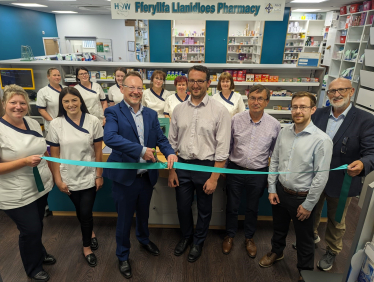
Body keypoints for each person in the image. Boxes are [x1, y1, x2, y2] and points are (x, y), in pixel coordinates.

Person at [103, 71, 177, 279]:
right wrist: (140, 150)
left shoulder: (151, 114)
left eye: (138, 88)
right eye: (131, 87)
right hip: (125, 179)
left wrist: (170, 152)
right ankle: (123, 255)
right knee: (125, 219)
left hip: (146, 176)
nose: (135, 92)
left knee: (144, 214)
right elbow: (110, 137)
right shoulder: (113, 112)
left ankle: (144, 240)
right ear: (122, 89)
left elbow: (160, 139)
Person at [297, 78, 374, 271]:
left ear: (352, 91)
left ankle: (332, 250)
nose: (336, 94)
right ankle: (310, 238)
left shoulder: (365, 119)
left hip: (342, 180)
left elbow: (372, 152)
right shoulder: (319, 114)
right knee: (310, 211)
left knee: (336, 219)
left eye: (341, 90)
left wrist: (363, 164)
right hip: (313, 177)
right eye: (332, 91)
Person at [258, 91, 333, 282]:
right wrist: (273, 189)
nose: (298, 111)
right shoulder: (284, 132)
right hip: (281, 192)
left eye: (303, 107)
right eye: (295, 107)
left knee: (305, 239)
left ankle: (304, 271)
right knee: (279, 228)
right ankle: (277, 252)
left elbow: (321, 177)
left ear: (313, 109)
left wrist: (308, 205)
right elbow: (274, 161)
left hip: (303, 197)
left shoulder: (322, 140)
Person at [168, 65, 231, 263]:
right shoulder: (178, 110)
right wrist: (171, 172)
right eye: (192, 81)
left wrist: (214, 177)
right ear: (187, 82)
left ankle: (198, 242)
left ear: (209, 83)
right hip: (183, 166)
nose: (195, 85)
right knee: (182, 207)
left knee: (204, 209)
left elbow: (222, 148)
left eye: (200, 81)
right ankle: (186, 237)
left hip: (206, 167)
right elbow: (172, 144)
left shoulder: (220, 111)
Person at [0, 85, 55, 282]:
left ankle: (39, 253)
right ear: (4, 104)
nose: (18, 106)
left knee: (37, 225)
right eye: (13, 102)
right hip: (15, 192)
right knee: (30, 229)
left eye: (22, 102)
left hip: (39, 186)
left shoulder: (32, 122)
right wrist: (22, 162)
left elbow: (43, 148)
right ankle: (33, 268)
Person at [46, 87, 104, 268]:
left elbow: (98, 151)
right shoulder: (56, 124)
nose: (70, 104)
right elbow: (54, 155)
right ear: (61, 104)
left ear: (80, 101)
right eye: (66, 101)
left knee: (86, 212)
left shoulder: (93, 121)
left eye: (74, 100)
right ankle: (91, 233)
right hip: (68, 176)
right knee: (80, 210)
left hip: (88, 175)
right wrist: (57, 179)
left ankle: (86, 247)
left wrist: (99, 175)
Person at [222, 84, 281, 258]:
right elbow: (228, 145)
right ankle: (230, 235)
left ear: (267, 101)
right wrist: (225, 168)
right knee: (232, 206)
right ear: (248, 100)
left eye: (260, 98)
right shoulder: (236, 119)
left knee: (252, 208)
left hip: (258, 172)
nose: (256, 102)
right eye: (253, 98)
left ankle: (249, 238)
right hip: (235, 169)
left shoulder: (274, 125)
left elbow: (274, 153)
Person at [36, 68, 65, 132]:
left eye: (58, 75)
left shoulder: (66, 89)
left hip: (67, 124)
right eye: (54, 75)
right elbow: (41, 110)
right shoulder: (43, 91)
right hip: (52, 125)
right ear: (48, 77)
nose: (57, 77)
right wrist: (53, 122)